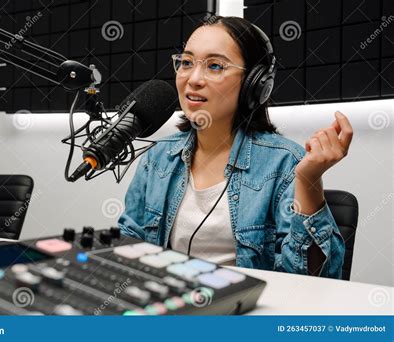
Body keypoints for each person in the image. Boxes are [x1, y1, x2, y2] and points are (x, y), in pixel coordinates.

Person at [118, 16, 353, 278]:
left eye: (215, 66)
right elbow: (130, 246)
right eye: (186, 62)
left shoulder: (285, 162)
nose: (193, 79)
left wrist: (309, 181)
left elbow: (313, 282)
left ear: (256, 83)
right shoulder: (157, 157)